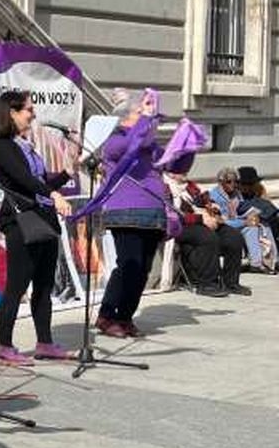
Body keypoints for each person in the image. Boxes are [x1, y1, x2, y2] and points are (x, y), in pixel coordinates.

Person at [0, 91, 75, 364]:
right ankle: (4, 345)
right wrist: (54, 195)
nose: (33, 114)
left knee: (44, 284)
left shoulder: (24, 144)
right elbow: (24, 180)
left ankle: (45, 342)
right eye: (28, 109)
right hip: (21, 222)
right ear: (11, 113)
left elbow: (41, 182)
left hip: (43, 219)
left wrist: (67, 173)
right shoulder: (2, 146)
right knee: (17, 284)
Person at [94, 90, 165, 339]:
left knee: (143, 268)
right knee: (128, 265)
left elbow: (169, 162)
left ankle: (124, 316)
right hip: (126, 211)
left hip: (152, 211)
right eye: (141, 114)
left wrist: (187, 145)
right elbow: (134, 144)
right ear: (126, 118)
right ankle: (107, 315)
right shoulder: (116, 138)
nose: (149, 121)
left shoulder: (149, 143)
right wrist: (147, 118)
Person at [165, 157, 245, 297]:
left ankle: (231, 282)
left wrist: (212, 207)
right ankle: (208, 284)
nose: (185, 172)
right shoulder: (164, 187)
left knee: (233, 236)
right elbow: (171, 215)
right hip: (178, 226)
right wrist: (201, 219)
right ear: (170, 171)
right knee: (207, 237)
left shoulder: (189, 186)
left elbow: (204, 198)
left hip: (201, 221)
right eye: (181, 169)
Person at [207, 168, 264, 285]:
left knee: (257, 226)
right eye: (229, 182)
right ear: (221, 182)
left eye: (236, 181)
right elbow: (221, 221)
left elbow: (241, 209)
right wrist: (243, 222)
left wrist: (253, 214)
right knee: (249, 226)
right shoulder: (213, 196)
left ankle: (259, 263)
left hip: (235, 222)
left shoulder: (236, 194)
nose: (233, 184)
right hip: (222, 228)